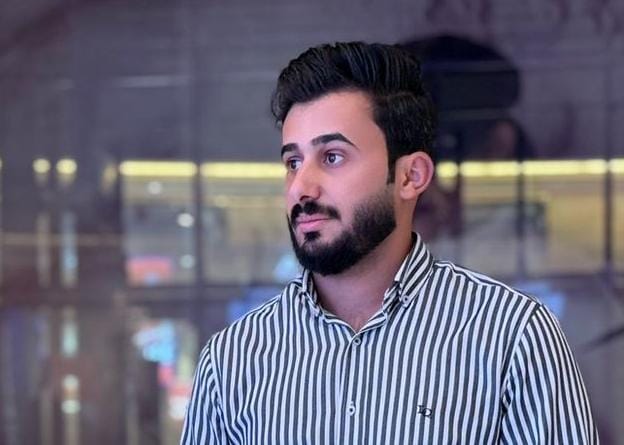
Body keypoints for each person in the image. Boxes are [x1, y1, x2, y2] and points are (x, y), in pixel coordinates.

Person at [181, 42, 598, 444]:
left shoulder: (512, 336)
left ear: (410, 176)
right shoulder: (234, 359)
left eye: (332, 157)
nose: (301, 187)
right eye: (293, 162)